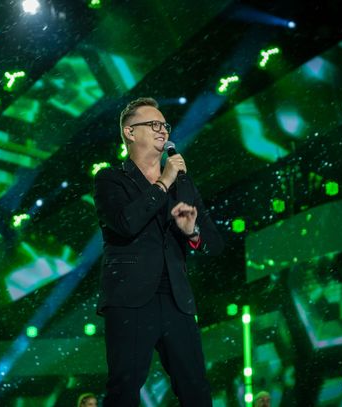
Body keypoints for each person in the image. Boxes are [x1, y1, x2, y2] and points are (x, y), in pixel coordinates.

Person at [93, 97, 224, 407]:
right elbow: (126, 223)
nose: (163, 130)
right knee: (124, 387)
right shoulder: (111, 179)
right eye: (153, 124)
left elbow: (215, 243)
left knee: (196, 388)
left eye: (165, 125)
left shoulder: (184, 185)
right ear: (130, 132)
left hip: (177, 299)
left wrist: (191, 231)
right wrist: (164, 181)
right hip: (130, 299)